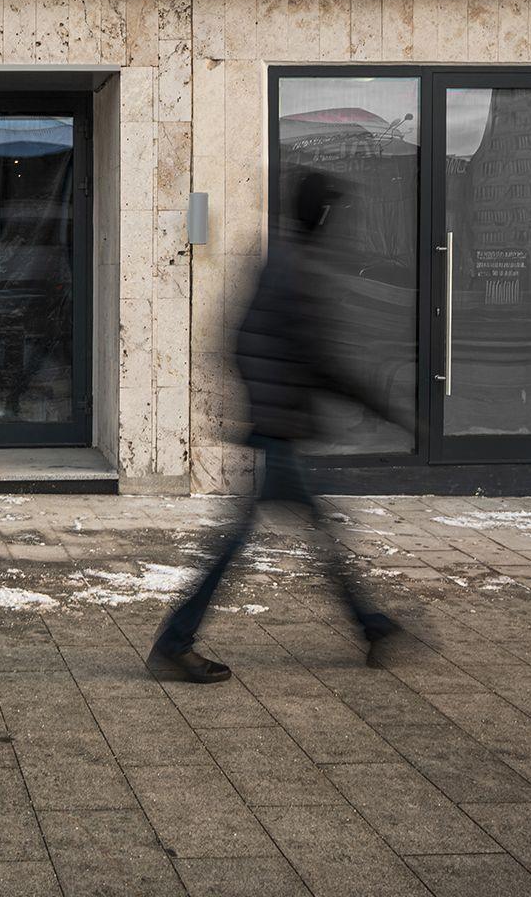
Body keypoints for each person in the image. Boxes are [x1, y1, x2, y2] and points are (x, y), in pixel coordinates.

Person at [150, 169, 404, 683]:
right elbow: (320, 359)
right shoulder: (298, 272)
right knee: (251, 543)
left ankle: (373, 625)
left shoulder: (281, 261)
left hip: (276, 425)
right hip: (279, 429)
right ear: (323, 215)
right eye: (338, 214)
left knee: (311, 533)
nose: (344, 225)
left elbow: (243, 341)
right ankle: (174, 643)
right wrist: (375, 402)